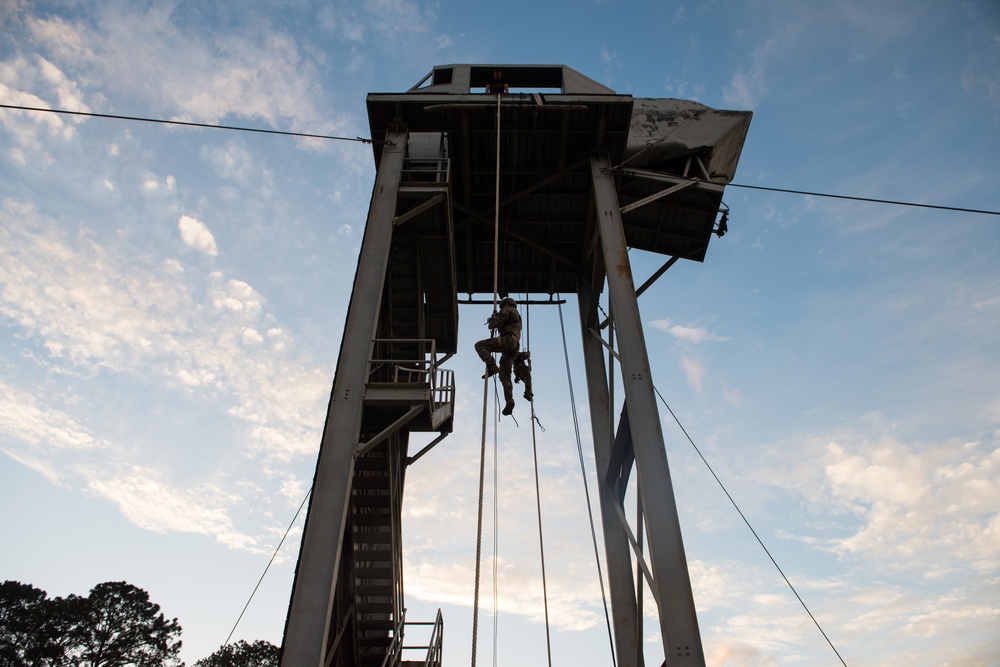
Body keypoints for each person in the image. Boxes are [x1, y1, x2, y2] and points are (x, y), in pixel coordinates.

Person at [475, 297, 521, 415]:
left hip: (507, 341)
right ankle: (509, 400)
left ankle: (492, 365)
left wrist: (493, 319)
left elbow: (493, 325)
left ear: (506, 304)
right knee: (504, 375)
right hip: (514, 345)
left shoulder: (508, 310)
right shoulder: (515, 315)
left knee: (480, 346)